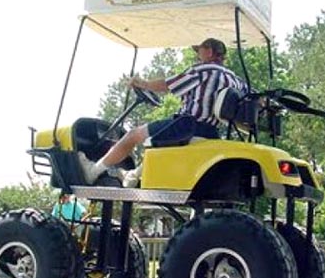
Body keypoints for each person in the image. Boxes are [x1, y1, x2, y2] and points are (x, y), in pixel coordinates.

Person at [79, 38, 249, 187]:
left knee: (133, 135)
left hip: (186, 126)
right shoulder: (236, 80)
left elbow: (168, 84)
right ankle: (133, 176)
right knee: (159, 142)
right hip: (211, 132)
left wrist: (142, 83)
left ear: (209, 52)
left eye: (199, 51)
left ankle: (93, 171)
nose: (197, 55)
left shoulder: (202, 71)